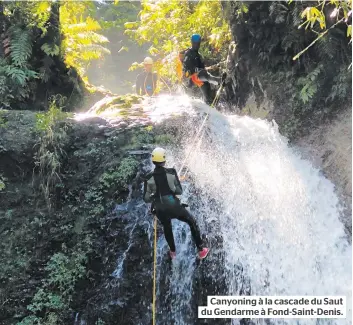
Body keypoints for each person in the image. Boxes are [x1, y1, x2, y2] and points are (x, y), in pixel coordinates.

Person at [143, 147, 210, 260]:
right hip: (173, 206)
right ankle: (201, 250)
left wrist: (155, 196)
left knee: (167, 226)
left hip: (159, 209)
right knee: (191, 221)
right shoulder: (171, 172)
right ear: (164, 160)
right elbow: (179, 191)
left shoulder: (148, 177)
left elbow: (146, 198)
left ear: (153, 161)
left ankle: (173, 252)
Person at [181, 34, 226, 105]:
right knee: (204, 74)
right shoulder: (188, 53)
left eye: (198, 43)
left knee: (208, 92)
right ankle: (218, 81)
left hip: (199, 78)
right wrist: (194, 70)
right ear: (192, 43)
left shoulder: (198, 55)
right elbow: (186, 69)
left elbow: (203, 68)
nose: (196, 45)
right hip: (192, 79)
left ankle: (210, 103)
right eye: (195, 43)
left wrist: (214, 67)